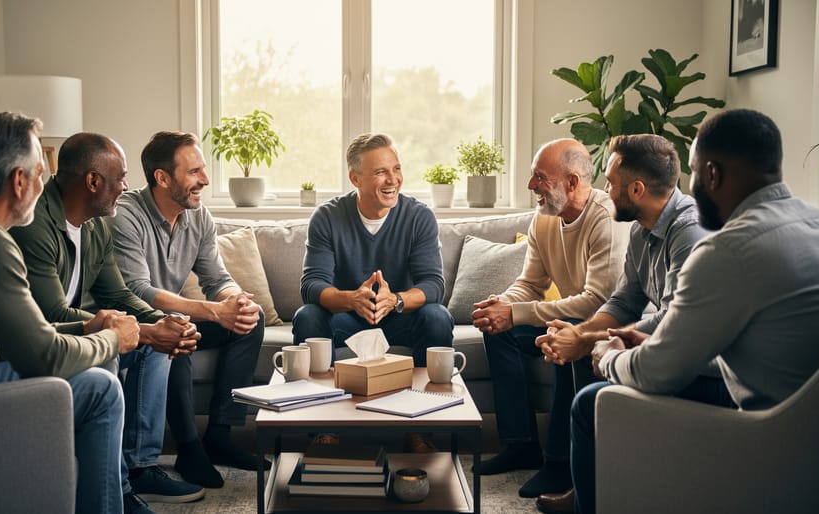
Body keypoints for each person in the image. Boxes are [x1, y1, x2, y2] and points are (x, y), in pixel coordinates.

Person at [566, 109, 819, 514]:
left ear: (711, 174)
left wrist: (606, 355)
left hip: (770, 440)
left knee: (590, 404)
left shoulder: (725, 249)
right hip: (815, 439)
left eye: (691, 172)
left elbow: (655, 374)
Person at [0, 111, 140, 513]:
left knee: (95, 372)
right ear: (19, 181)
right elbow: (44, 356)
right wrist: (113, 338)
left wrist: (87, 325)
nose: (46, 186)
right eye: (41, 173)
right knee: (101, 389)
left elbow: (19, 332)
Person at [8, 133, 206, 512]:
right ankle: (118, 487)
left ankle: (142, 467)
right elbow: (51, 315)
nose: (127, 187)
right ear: (93, 182)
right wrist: (143, 332)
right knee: (111, 353)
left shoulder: (98, 225)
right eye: (121, 178)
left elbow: (118, 295)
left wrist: (167, 322)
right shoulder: (34, 224)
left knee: (153, 346)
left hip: (77, 336)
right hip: (49, 345)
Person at [530, 134, 714, 511]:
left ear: (637, 188)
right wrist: (579, 334)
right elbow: (626, 299)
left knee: (588, 395)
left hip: (697, 361)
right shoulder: (641, 229)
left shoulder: (689, 231)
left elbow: (677, 318)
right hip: (667, 345)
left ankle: (591, 497)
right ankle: (587, 487)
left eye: (610, 183)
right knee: (584, 350)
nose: (604, 190)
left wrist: (589, 338)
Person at [470, 138, 629, 499]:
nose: (530, 187)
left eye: (539, 177)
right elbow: (531, 283)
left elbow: (596, 301)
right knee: (499, 332)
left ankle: (559, 463)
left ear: (572, 182)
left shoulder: (606, 218)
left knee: (562, 337)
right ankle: (521, 444)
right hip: (570, 316)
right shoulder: (543, 218)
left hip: (602, 324)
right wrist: (502, 306)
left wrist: (517, 313)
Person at [108, 131, 266, 489]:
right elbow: (138, 291)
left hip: (173, 314)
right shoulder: (126, 216)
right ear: (162, 178)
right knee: (176, 329)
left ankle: (220, 437)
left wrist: (236, 301)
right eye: (194, 172)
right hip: (134, 320)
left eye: (204, 170)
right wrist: (212, 311)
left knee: (249, 322)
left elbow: (217, 277)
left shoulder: (199, 217)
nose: (205, 181)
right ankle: (189, 448)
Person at [292, 133, 454, 452]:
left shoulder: (419, 216)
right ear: (356, 178)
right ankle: (322, 430)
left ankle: (422, 429)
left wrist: (397, 301)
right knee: (308, 317)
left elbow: (434, 285)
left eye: (396, 169)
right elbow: (312, 286)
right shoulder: (327, 217)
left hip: (398, 317)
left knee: (438, 316)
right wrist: (351, 298)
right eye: (381, 172)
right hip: (348, 321)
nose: (392, 179)